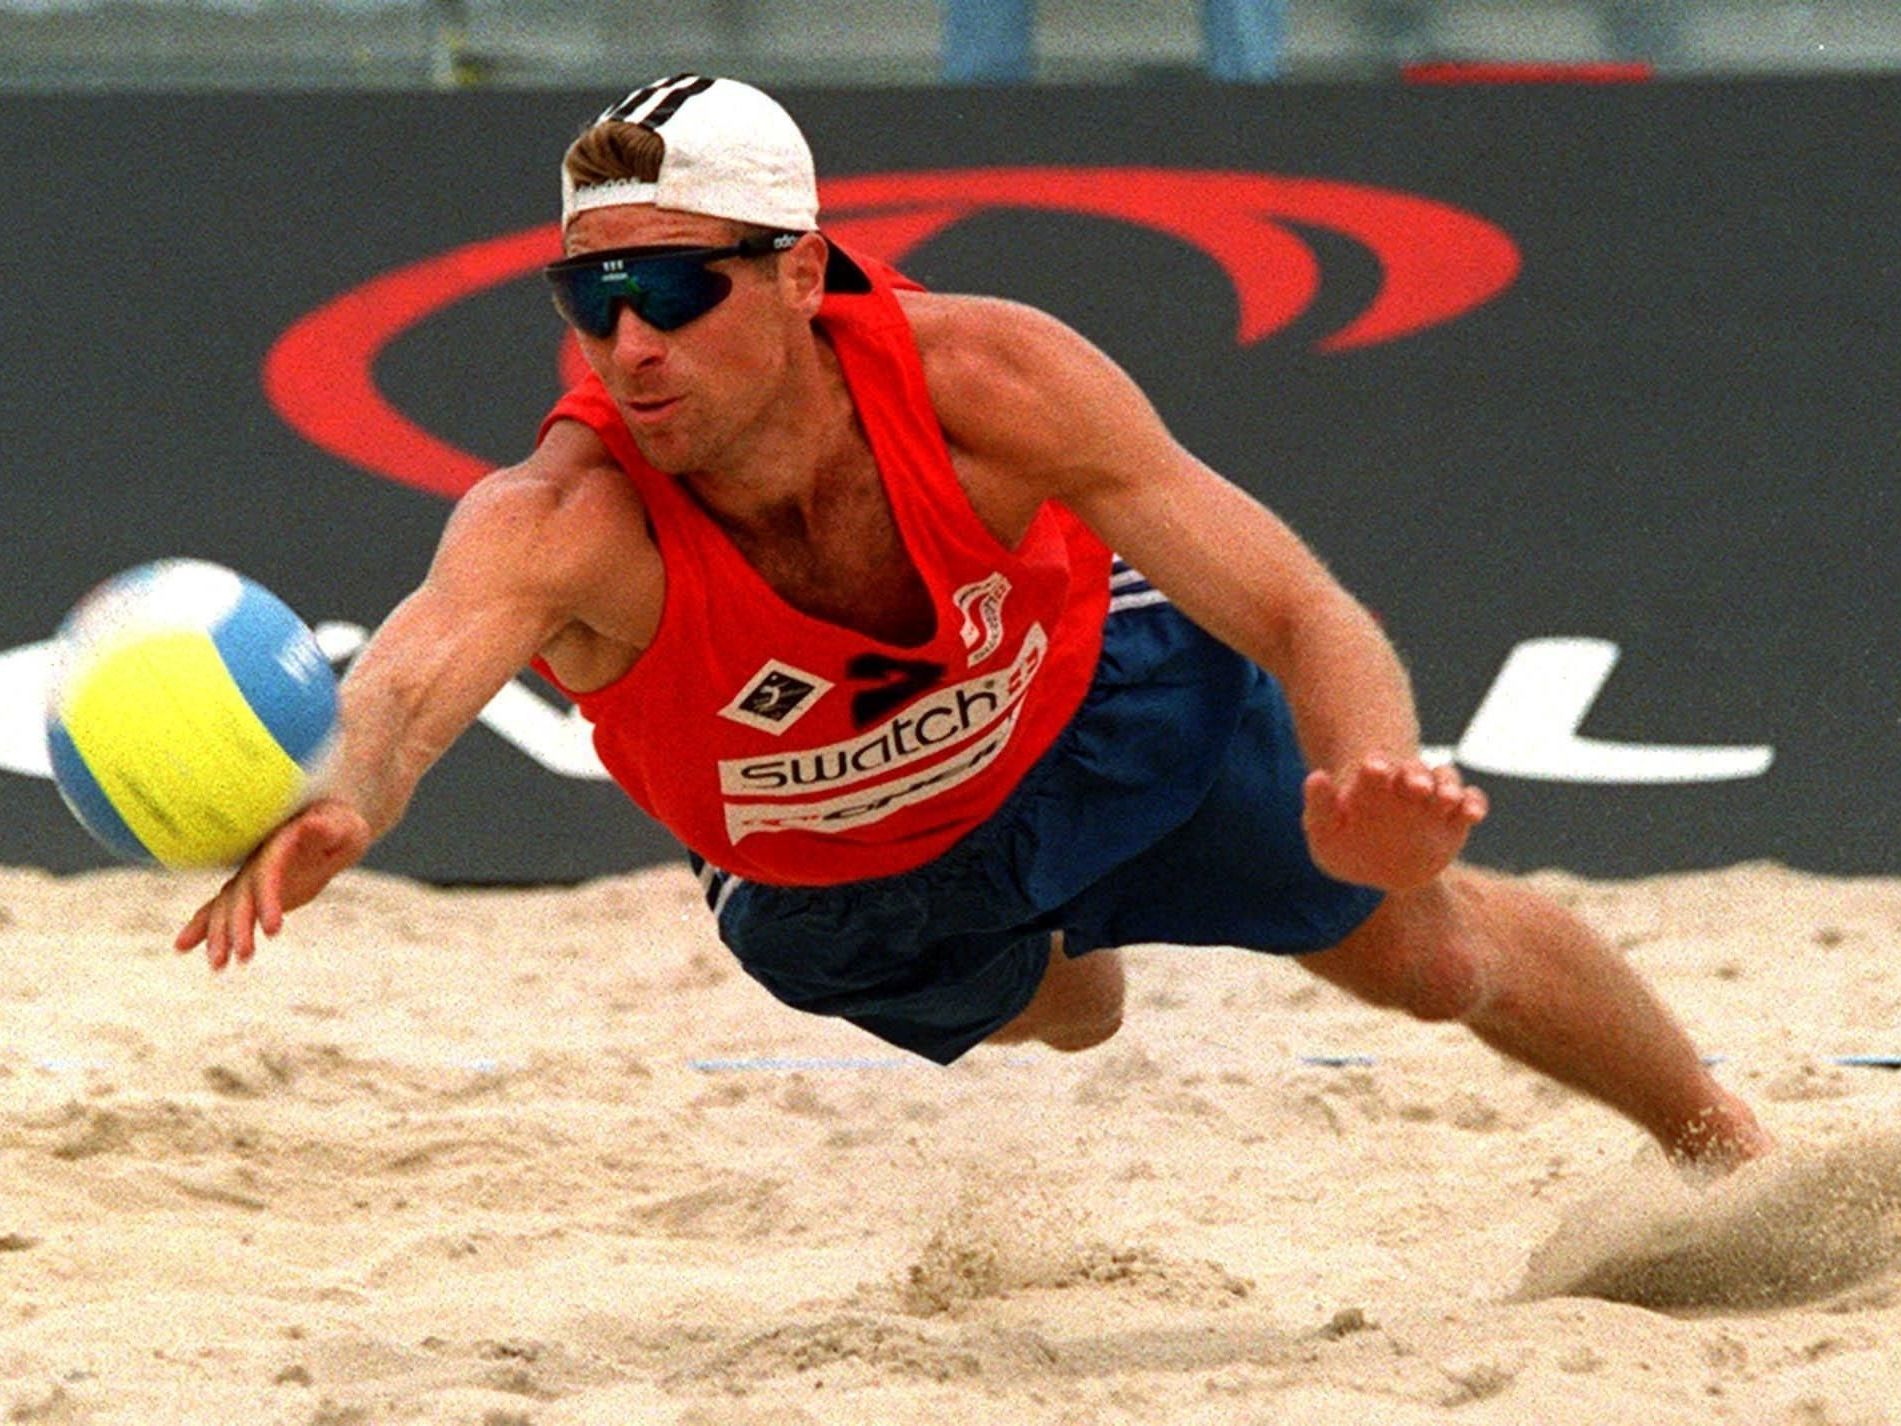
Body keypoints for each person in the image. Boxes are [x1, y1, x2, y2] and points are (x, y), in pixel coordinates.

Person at [177, 73, 1770, 1171]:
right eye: (591, 302)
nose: (627, 345)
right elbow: (405, 676)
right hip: (840, 871)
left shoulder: (988, 384)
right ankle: (1066, 954)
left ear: (802, 274)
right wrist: (346, 798)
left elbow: (1295, 599)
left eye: (672, 292)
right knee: (1075, 1013)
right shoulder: (565, 516)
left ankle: (1728, 1147)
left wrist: (1371, 782)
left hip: (1089, 706)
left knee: (1427, 954)